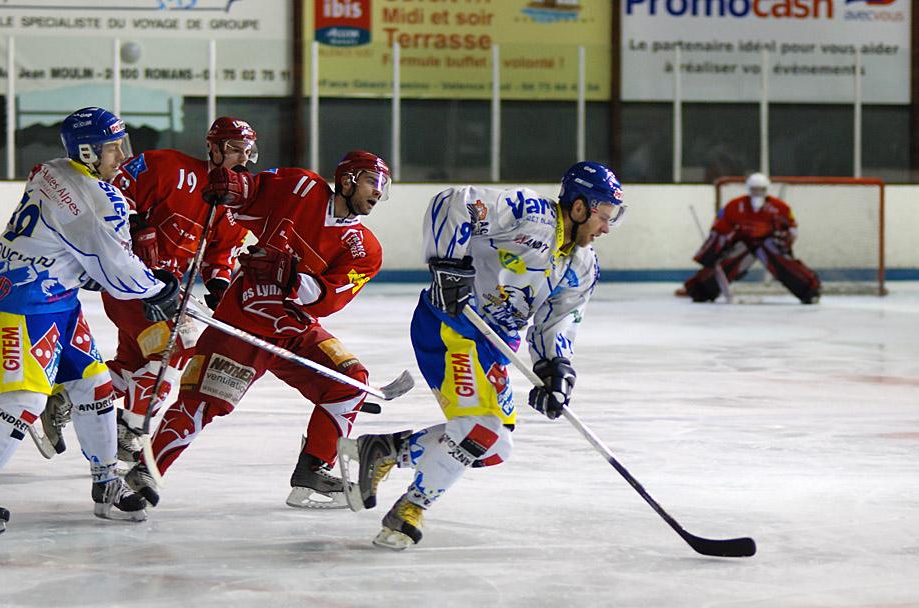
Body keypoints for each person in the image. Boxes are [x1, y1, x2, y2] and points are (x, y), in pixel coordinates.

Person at [337, 161, 627, 550]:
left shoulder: (582, 265)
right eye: (603, 216)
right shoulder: (530, 215)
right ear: (578, 207)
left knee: (495, 447)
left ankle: (386, 450)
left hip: (492, 348)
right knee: (480, 428)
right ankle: (410, 509)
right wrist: (448, 265)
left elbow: (555, 322)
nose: (606, 228)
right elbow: (454, 202)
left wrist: (554, 369)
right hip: (450, 327)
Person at [124, 150, 392, 510]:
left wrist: (291, 278)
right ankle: (146, 470)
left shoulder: (367, 250)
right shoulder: (301, 187)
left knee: (350, 382)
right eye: (373, 182)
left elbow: (331, 299)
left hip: (294, 328)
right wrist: (231, 186)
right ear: (347, 179)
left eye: (383, 186)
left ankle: (314, 468)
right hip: (242, 322)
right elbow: (249, 192)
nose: (378, 192)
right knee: (202, 404)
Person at [0, 107, 181, 534]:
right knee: (23, 403)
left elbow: (69, 242)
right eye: (112, 148)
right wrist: (157, 287)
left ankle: (106, 484)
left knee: (95, 385)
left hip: (57, 302)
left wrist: (82, 269)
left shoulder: (52, 170)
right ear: (86, 150)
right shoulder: (94, 201)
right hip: (20, 307)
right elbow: (118, 272)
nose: (121, 156)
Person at [78, 117, 252, 463]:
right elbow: (112, 190)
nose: (242, 159)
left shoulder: (233, 203)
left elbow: (221, 254)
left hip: (168, 292)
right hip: (130, 282)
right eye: (234, 150)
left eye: (247, 152)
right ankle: (130, 430)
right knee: (177, 351)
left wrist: (219, 285)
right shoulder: (166, 165)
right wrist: (131, 222)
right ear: (213, 148)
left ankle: (67, 397)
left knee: (133, 364)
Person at [679, 173, 820, 304]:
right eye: (754, 189)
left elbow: (791, 229)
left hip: (767, 244)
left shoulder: (780, 207)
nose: (757, 193)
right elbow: (719, 231)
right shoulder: (734, 205)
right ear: (748, 189)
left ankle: (809, 290)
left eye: (761, 189)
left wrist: (783, 240)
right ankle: (700, 289)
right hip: (743, 244)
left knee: (780, 261)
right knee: (727, 262)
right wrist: (712, 252)